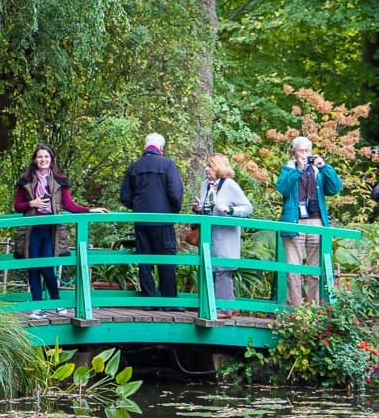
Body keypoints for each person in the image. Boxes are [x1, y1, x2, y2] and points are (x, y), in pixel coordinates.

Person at [14, 143, 107, 318]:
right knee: (33, 268)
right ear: (35, 159)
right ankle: (38, 308)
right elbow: (17, 205)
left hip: (52, 231)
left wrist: (90, 210)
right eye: (40, 156)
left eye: (46, 157)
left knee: (48, 267)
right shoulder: (25, 180)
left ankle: (56, 303)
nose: (43, 160)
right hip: (31, 231)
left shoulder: (59, 180)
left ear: (51, 159)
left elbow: (69, 205)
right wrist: (31, 204)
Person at [275, 136, 342, 307]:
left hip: (317, 222)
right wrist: (298, 170)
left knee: (314, 271)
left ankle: (313, 309)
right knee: (293, 270)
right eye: (301, 151)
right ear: (294, 152)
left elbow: (335, 188)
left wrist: (324, 167)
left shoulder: (318, 171)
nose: (305, 154)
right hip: (294, 223)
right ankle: (296, 310)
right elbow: (282, 188)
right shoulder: (288, 169)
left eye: (307, 151)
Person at [120, 132, 184, 305]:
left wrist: (139, 207)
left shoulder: (134, 167)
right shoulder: (168, 164)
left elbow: (125, 196)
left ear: (145, 147)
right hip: (163, 221)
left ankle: (148, 301)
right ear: (161, 149)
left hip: (141, 221)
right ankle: (169, 302)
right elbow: (176, 193)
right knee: (166, 260)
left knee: (145, 260)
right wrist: (173, 210)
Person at [192, 153, 253, 318]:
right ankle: (230, 306)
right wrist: (198, 208)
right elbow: (207, 206)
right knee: (211, 269)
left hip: (226, 236)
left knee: (222, 270)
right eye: (207, 165)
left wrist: (231, 210)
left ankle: (224, 309)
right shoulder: (205, 185)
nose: (206, 169)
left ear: (219, 167)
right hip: (209, 235)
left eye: (210, 166)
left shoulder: (230, 185)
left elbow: (248, 208)